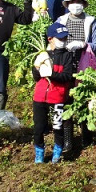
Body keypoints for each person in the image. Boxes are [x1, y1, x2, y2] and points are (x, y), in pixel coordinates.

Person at [55, 0, 96, 155]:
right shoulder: (61, 20)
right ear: (68, 4)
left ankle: (86, 137)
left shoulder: (91, 21)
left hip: (85, 67)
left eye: (79, 2)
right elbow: (53, 41)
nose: (76, 5)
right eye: (73, 2)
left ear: (84, 4)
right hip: (66, 65)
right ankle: (68, 140)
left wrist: (83, 45)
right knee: (66, 100)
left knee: (85, 100)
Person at [31, 23, 78, 164]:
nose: (63, 41)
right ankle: (39, 152)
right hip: (40, 96)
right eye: (60, 38)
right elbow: (36, 77)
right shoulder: (43, 55)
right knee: (39, 127)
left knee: (58, 126)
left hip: (57, 97)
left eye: (65, 38)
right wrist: (37, 67)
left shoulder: (67, 56)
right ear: (50, 38)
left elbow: (67, 76)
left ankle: (57, 150)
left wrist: (51, 74)